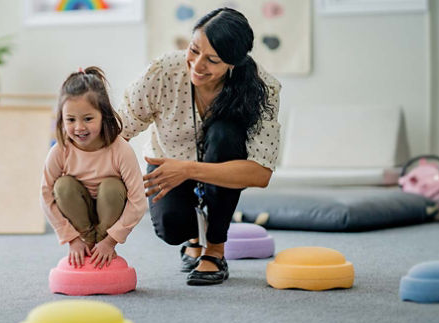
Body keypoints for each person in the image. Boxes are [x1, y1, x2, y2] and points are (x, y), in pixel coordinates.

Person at [118, 8, 281, 285]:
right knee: (170, 228)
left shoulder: (262, 88)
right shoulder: (164, 71)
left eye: (212, 60)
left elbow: (260, 173)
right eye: (194, 50)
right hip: (167, 163)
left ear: (233, 62)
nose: (196, 65)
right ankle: (195, 236)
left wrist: (188, 170)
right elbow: (120, 127)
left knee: (225, 134)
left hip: (218, 167)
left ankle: (215, 249)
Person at [41, 67, 147, 269]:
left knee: (111, 186)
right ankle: (88, 242)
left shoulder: (121, 150)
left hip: (110, 214)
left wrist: (110, 241)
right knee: (62, 185)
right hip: (80, 217)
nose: (79, 127)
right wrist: (72, 239)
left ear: (103, 116)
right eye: (70, 120)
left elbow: (138, 201)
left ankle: (99, 243)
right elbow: (45, 195)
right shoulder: (60, 151)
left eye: (88, 119)